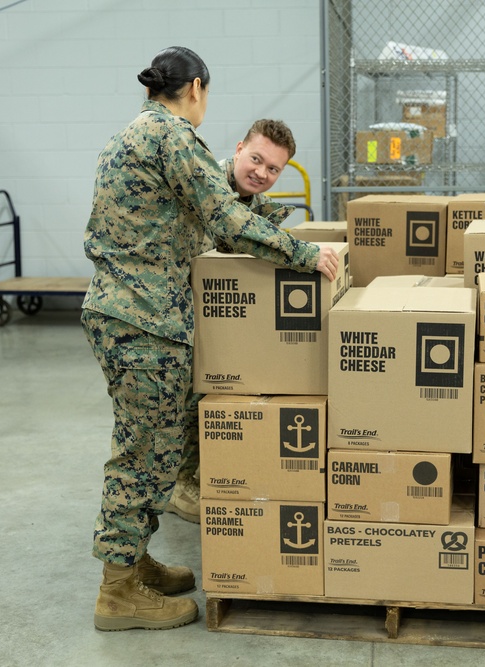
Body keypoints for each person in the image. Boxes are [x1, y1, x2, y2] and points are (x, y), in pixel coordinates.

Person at [81, 46, 339, 632]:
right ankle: (116, 593)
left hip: (135, 316)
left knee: (153, 448)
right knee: (143, 456)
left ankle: (134, 563)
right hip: (142, 321)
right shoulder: (172, 137)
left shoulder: (136, 133)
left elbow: (212, 216)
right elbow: (225, 219)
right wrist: (304, 256)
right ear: (196, 87)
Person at [166, 118, 298, 524]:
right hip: (168, 307)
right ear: (239, 149)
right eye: (256, 159)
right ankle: (179, 482)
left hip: (215, 316)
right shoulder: (208, 185)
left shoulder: (254, 206)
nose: (261, 172)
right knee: (182, 401)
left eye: (273, 169)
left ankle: (202, 472)